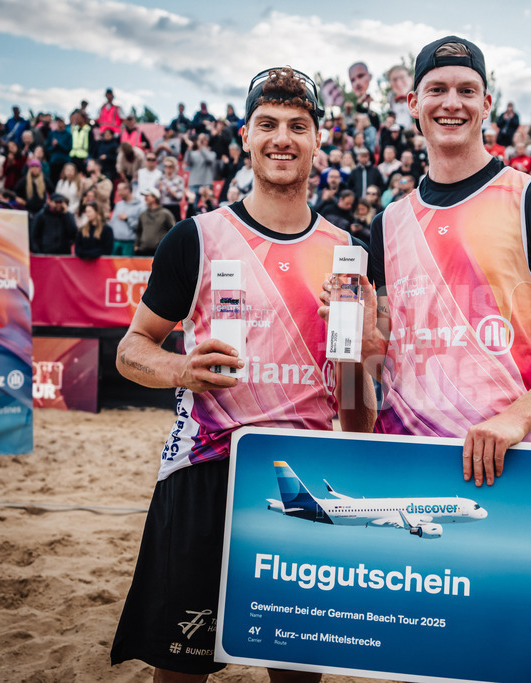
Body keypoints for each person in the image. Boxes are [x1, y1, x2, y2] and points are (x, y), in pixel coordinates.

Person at [111, 65, 374, 682]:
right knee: (181, 669)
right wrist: (181, 367)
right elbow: (130, 350)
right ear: (247, 136)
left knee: (296, 671)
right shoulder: (196, 237)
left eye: (298, 126)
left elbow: (358, 413)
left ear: (318, 140)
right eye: (268, 124)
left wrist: (360, 350)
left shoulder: (347, 252)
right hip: (206, 468)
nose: (282, 138)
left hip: (299, 478)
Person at [358, 36, 531, 486]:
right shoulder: (387, 223)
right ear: (413, 103)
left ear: (486, 105)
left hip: (501, 467)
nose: (452, 103)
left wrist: (517, 417)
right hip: (402, 461)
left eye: (466, 91)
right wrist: (364, 341)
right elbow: (384, 353)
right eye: (437, 89)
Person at [133, 187, 175, 256]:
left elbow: (173, 232)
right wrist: (136, 245)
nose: (145, 198)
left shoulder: (165, 214)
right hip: (143, 251)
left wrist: (169, 247)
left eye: (147, 196)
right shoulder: (143, 214)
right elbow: (138, 231)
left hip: (160, 251)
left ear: (155, 197)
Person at [108, 182, 143, 255]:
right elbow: (112, 222)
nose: (118, 193)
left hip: (129, 243)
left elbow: (140, 226)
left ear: (128, 190)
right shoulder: (118, 205)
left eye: (120, 190)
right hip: (115, 242)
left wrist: (127, 219)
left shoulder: (139, 207)